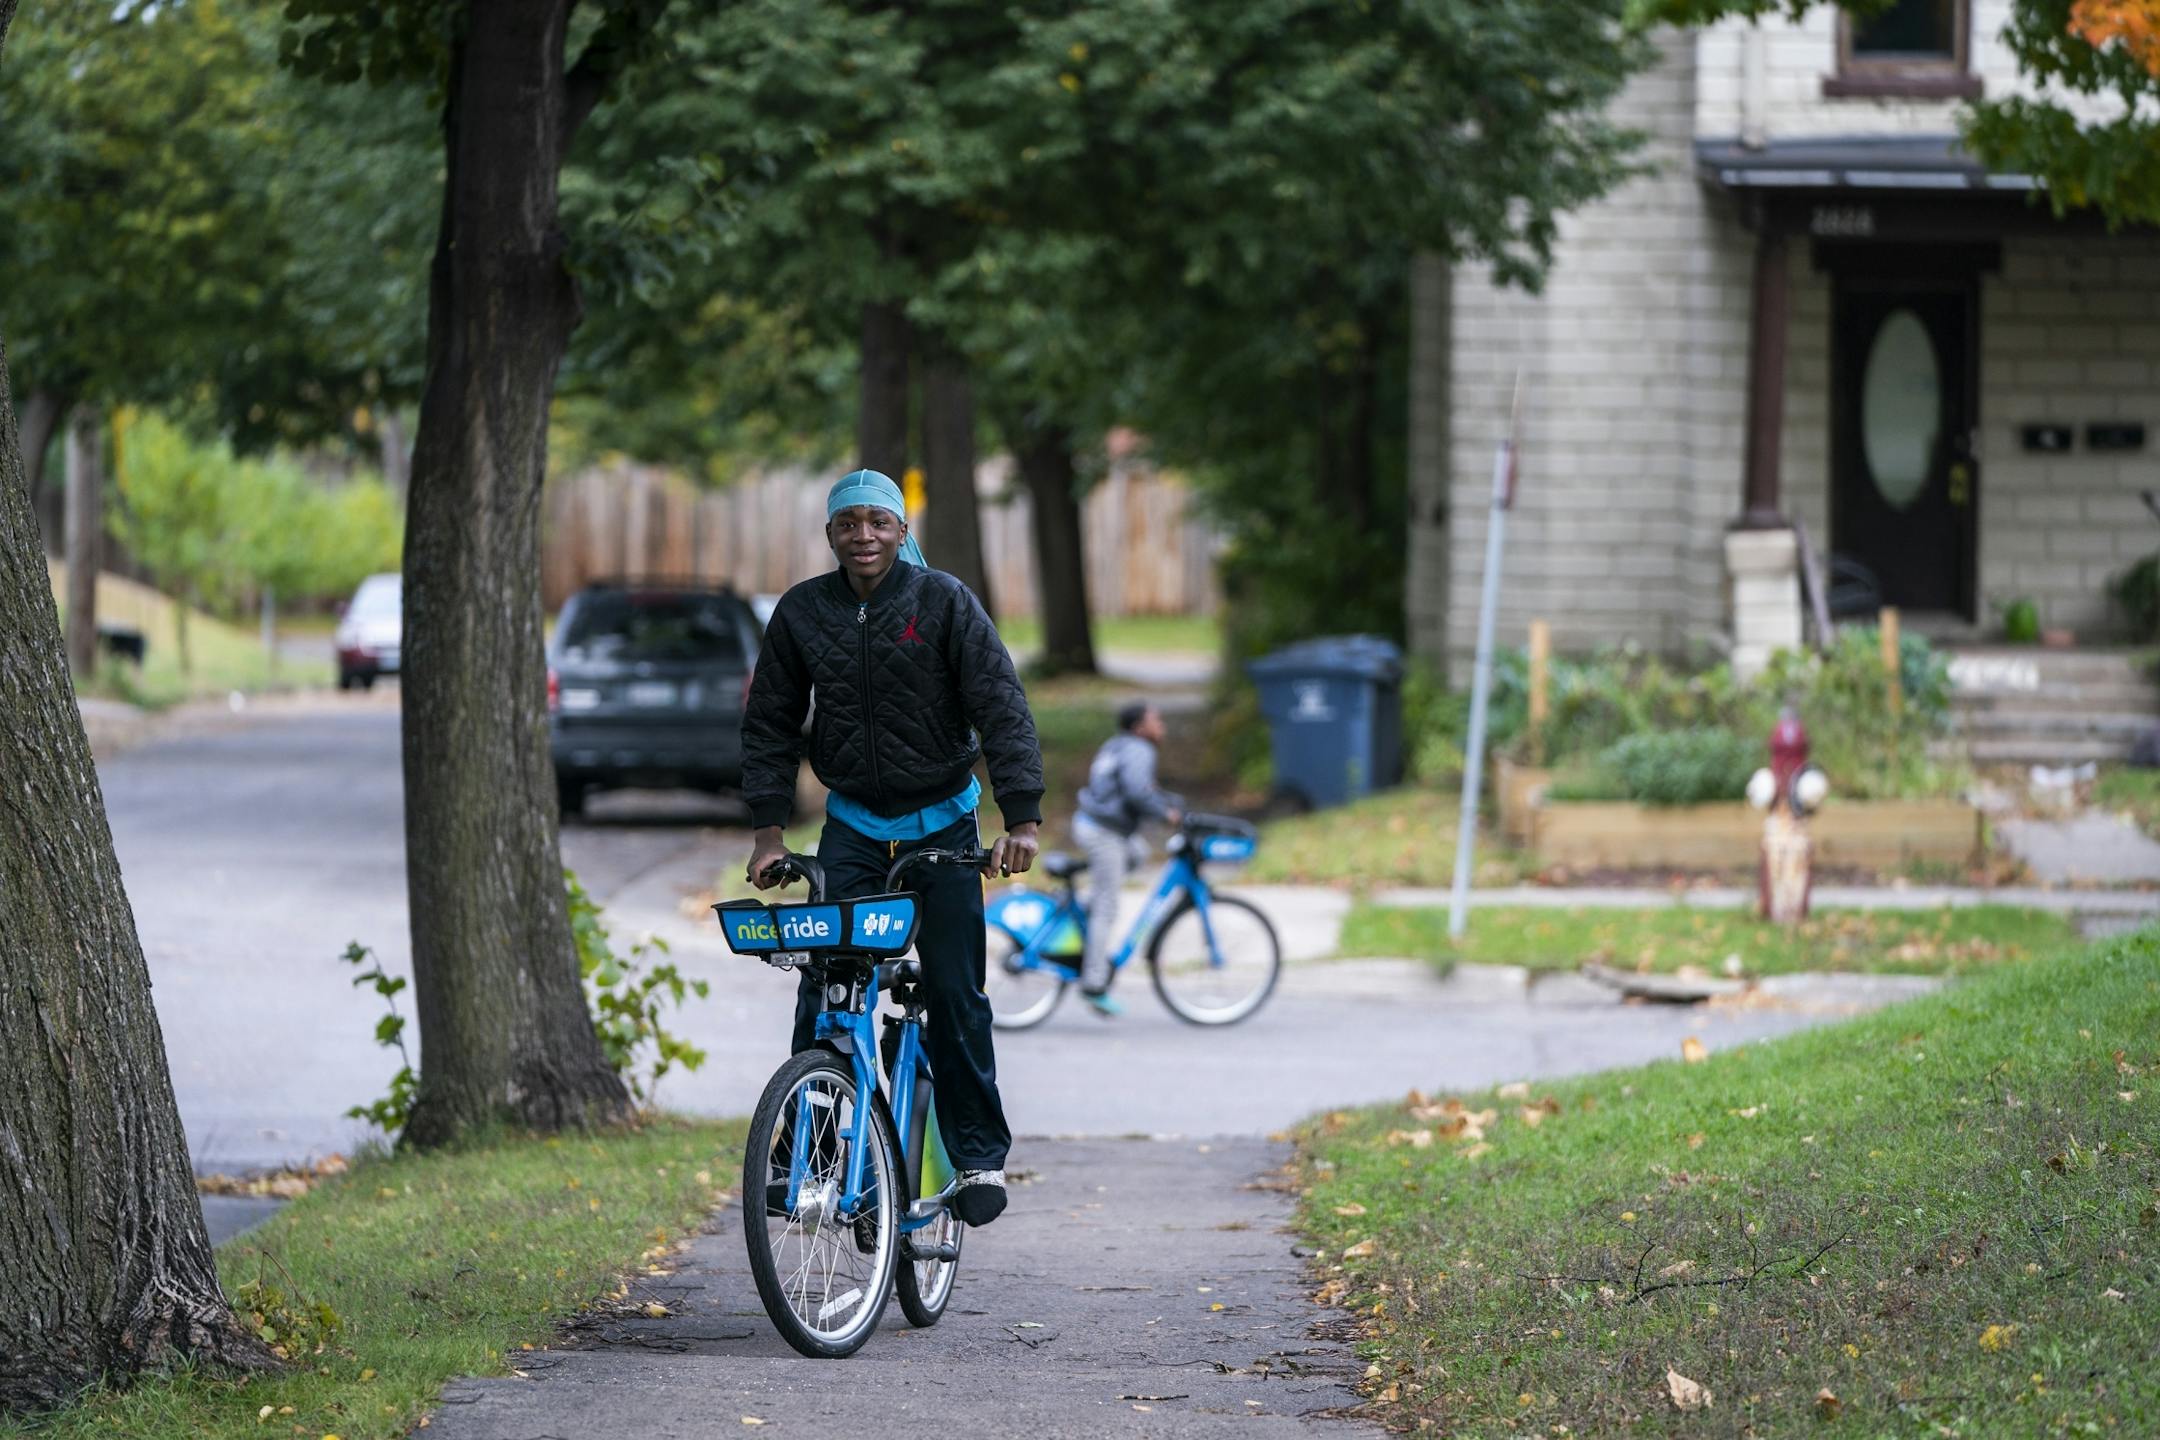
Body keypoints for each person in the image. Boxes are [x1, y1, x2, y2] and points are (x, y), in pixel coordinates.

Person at [739, 469, 1043, 1227]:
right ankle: (807, 1153)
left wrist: (1023, 818)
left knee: (953, 990)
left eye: (880, 522)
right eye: (849, 524)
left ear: (902, 530)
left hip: (942, 821)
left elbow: (1000, 706)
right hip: (854, 826)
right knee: (828, 985)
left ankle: (977, 1158)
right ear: (831, 533)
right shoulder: (803, 612)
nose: (864, 536)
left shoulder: (943, 601)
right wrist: (769, 833)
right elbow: (771, 723)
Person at [1070, 701, 1182, 1017]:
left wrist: (1158, 797)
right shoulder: (1140, 750)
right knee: (1108, 906)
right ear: (1139, 727)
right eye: (1156, 719)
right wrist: (1166, 814)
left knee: (1138, 854)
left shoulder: (1118, 744)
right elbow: (1136, 791)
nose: (1161, 725)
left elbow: (1135, 787)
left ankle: (1089, 907)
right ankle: (1094, 983)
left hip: (1096, 823)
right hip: (1104, 832)